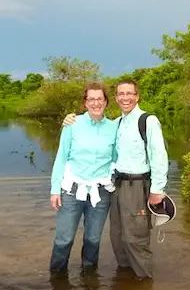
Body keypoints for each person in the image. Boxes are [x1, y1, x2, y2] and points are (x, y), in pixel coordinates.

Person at [62, 79, 169, 279]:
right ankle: (125, 281)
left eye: (130, 93)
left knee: (135, 237)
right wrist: (69, 119)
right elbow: (95, 131)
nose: (125, 98)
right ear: (116, 98)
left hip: (138, 186)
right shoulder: (117, 123)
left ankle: (144, 283)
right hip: (117, 185)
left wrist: (157, 190)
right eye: (121, 94)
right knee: (117, 237)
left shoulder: (148, 121)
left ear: (137, 96)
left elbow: (159, 156)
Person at [49, 82, 118, 275]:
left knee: (93, 240)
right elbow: (61, 157)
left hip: (101, 192)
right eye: (91, 99)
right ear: (85, 102)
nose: (96, 103)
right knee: (64, 239)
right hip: (72, 190)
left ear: (106, 102)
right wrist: (55, 189)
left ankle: (89, 280)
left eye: (100, 99)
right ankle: (56, 280)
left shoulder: (114, 127)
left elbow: (117, 159)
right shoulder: (73, 124)